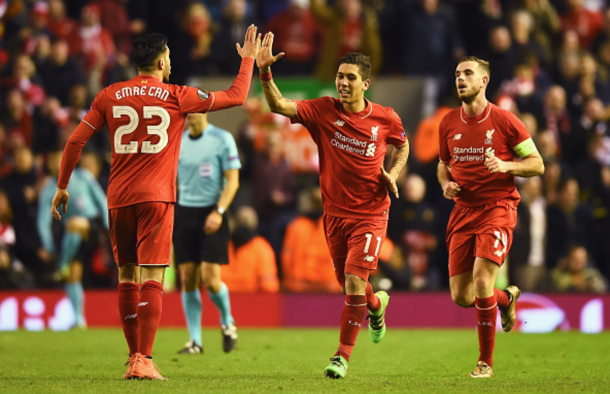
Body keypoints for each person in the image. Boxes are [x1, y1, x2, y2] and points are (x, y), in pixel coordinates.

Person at [50, 27, 260, 380]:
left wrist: (62, 185)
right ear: (162, 61)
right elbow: (238, 96)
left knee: (126, 276)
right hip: (157, 198)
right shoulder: (178, 95)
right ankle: (145, 359)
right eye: (169, 59)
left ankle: (133, 357)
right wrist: (248, 59)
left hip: (118, 198)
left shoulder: (109, 95)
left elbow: (75, 141)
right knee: (152, 277)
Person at [256, 33, 409, 379]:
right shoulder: (322, 110)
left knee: (354, 280)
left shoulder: (386, 118)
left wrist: (394, 172)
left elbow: (403, 145)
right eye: (340, 76)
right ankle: (376, 305)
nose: (342, 82)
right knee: (350, 285)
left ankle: (341, 356)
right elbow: (279, 105)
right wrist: (264, 73)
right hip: (334, 214)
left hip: (371, 212)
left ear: (365, 83)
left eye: (350, 77)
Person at [437, 56, 545, 378]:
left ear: (484, 81)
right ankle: (506, 297)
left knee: (483, 280)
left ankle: (485, 362)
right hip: (463, 211)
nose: (461, 79)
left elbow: (537, 164)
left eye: (468, 74)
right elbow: (444, 164)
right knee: (461, 295)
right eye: (457, 74)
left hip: (498, 207)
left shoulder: (506, 120)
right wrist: (446, 184)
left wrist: (507, 166)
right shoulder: (448, 123)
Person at [174, 112, 241, 355]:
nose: (189, 115)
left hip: (213, 211)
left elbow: (233, 181)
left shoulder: (222, 139)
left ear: (204, 110)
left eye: (193, 109)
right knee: (188, 276)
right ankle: (195, 341)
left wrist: (219, 211)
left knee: (210, 278)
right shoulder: (177, 141)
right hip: (184, 212)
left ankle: (227, 321)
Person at [38, 150, 109, 328]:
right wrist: (48, 245)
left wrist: (110, 229)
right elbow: (43, 221)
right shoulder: (48, 189)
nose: (57, 164)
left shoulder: (83, 176)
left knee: (75, 223)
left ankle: (61, 264)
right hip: (72, 237)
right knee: (74, 275)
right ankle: (79, 320)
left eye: (60, 160)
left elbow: (102, 201)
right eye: (53, 162)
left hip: (94, 225)